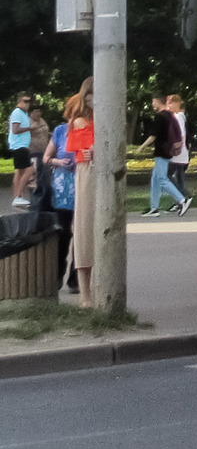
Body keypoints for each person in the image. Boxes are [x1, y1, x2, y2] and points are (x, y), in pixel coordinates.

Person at [64, 78, 96, 307]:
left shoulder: (103, 118)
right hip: (88, 176)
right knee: (84, 231)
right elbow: (84, 152)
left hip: (104, 175)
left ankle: (94, 292)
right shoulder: (80, 121)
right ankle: (85, 295)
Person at [134, 94, 190, 217]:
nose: (152, 104)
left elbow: (153, 135)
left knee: (162, 179)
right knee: (155, 179)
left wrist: (141, 147)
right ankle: (154, 207)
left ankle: (181, 199)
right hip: (168, 150)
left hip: (162, 150)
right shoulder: (170, 116)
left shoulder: (160, 116)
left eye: (153, 101)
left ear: (158, 102)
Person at [41, 113, 78, 293]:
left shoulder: (91, 130)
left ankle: (75, 278)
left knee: (81, 234)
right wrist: (58, 161)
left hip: (83, 185)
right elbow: (46, 158)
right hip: (63, 188)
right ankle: (58, 272)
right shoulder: (60, 131)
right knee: (64, 232)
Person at [9, 92, 34, 207]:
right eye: (25, 101)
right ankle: (18, 196)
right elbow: (15, 130)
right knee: (29, 170)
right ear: (19, 101)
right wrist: (30, 128)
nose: (27, 104)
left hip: (21, 145)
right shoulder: (17, 113)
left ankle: (18, 197)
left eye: (29, 101)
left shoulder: (24, 113)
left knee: (19, 171)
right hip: (20, 145)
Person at [166, 94, 190, 197]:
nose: (168, 106)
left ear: (177, 103)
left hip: (178, 152)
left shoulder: (178, 117)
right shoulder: (180, 116)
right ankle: (181, 200)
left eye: (170, 103)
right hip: (181, 151)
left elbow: (181, 134)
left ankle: (183, 196)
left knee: (167, 175)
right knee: (179, 176)